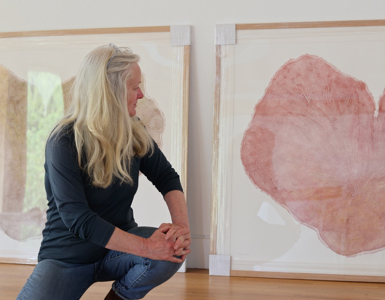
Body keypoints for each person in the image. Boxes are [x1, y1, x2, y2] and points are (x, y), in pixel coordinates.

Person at [17, 44, 191, 300]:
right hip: (67, 259)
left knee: (171, 250)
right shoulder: (64, 140)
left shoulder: (133, 130)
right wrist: (146, 246)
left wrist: (181, 231)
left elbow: (167, 177)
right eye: (135, 87)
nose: (141, 94)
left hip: (118, 250)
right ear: (111, 91)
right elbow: (78, 219)